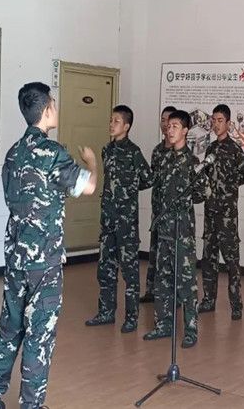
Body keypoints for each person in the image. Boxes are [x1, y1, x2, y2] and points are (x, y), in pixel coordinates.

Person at [0, 82, 97, 409]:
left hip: (16, 255)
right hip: (44, 260)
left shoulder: (13, 153)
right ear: (46, 110)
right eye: (54, 104)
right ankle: (31, 405)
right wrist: (92, 162)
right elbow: (89, 187)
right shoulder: (52, 153)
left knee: (9, 327)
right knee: (39, 334)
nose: (56, 109)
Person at [85, 105, 154, 332]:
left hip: (126, 223)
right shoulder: (107, 150)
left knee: (130, 273)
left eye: (116, 121)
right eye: (110, 120)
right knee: (106, 269)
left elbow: (148, 178)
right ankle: (106, 312)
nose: (111, 124)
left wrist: (129, 190)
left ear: (126, 126)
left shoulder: (134, 152)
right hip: (108, 221)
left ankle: (132, 318)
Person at [143, 110, 206, 348]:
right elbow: (157, 192)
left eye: (175, 126)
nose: (170, 130)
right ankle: (163, 324)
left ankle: (190, 330)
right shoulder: (162, 158)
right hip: (163, 230)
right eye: (168, 126)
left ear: (186, 131)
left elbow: (201, 193)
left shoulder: (193, 163)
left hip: (182, 232)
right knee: (162, 280)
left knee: (186, 283)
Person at [198, 104, 244, 320]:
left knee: (232, 262)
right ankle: (208, 300)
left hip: (227, 216)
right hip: (210, 213)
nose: (216, 124)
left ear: (228, 123)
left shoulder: (234, 149)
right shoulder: (211, 149)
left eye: (220, 120)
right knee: (208, 259)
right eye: (213, 120)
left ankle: (236, 305)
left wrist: (231, 185)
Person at [141, 105, 177, 303]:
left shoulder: (180, 153)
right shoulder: (157, 151)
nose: (165, 125)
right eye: (163, 120)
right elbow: (151, 178)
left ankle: (174, 294)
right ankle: (151, 290)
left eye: (169, 121)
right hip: (158, 210)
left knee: (172, 254)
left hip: (173, 214)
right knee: (154, 250)